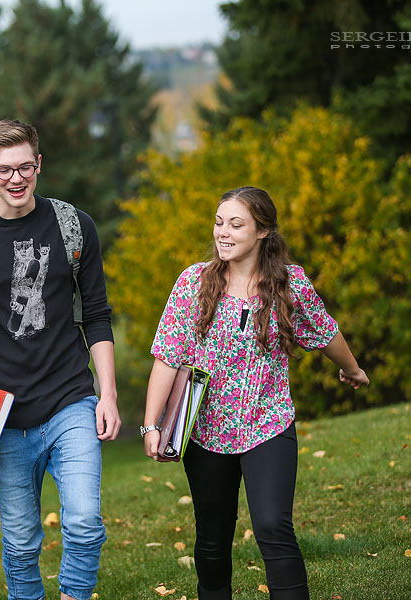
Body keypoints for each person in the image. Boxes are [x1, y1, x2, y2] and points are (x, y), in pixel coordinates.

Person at [142, 187, 369, 600]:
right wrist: (151, 425)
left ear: (263, 231)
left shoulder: (289, 284)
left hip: (269, 424)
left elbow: (324, 332)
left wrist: (351, 369)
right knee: (212, 537)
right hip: (206, 432)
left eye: (235, 224)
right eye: (218, 222)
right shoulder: (194, 282)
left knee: (272, 527)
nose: (222, 233)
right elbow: (167, 356)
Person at [0, 119, 121, 600]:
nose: (15, 179)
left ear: (39, 163)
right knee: (21, 543)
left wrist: (108, 394)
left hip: (70, 401)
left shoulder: (74, 226)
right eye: (3, 170)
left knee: (83, 523)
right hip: (2, 415)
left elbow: (97, 315)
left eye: (24, 167)